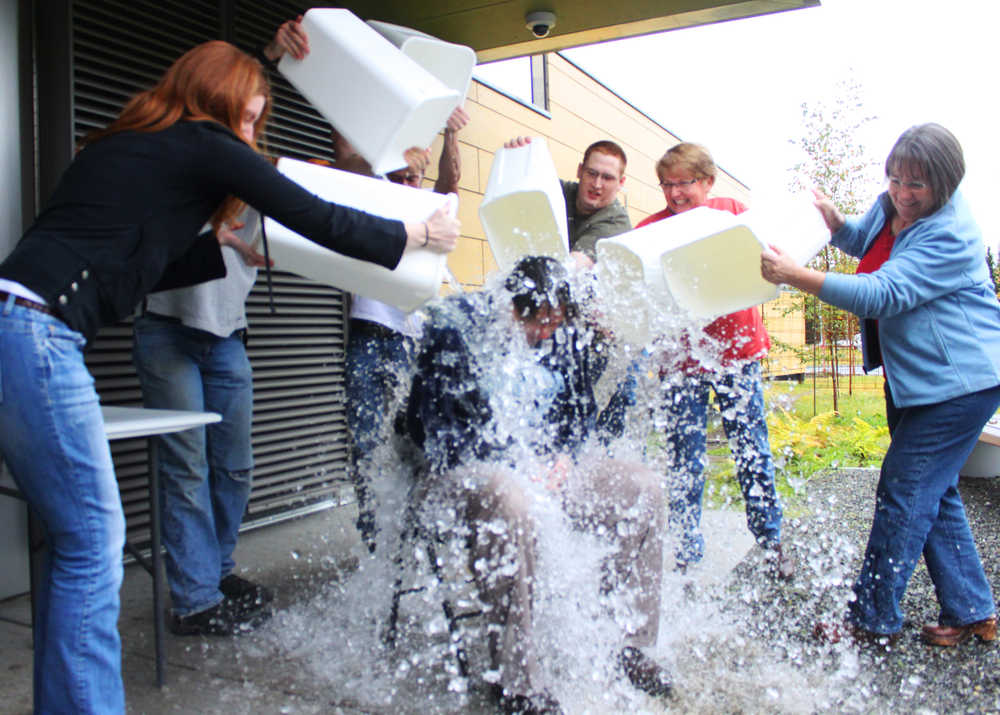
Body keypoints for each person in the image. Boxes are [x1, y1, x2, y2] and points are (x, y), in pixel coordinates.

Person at [0, 40, 458, 714]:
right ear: (215, 98)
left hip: (14, 320)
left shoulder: (122, 143)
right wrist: (413, 234)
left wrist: (209, 247)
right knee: (94, 545)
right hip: (39, 333)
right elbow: (313, 212)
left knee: (73, 544)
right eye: (248, 117)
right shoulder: (205, 140)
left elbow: (128, 260)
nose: (250, 135)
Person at [761, 123, 1000, 647]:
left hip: (959, 383)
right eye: (895, 179)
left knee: (904, 491)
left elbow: (884, 293)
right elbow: (863, 246)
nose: (902, 192)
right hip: (916, 377)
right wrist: (835, 221)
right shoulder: (892, 202)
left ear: (945, 182)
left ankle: (871, 621)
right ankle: (972, 609)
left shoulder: (952, 233)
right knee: (931, 491)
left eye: (916, 185)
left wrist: (795, 275)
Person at [406, 257, 671, 714]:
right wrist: (513, 462)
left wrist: (565, 457)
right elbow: (435, 430)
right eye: (539, 321)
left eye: (556, 320)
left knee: (644, 488)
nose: (548, 331)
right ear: (511, 307)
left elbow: (578, 414)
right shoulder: (454, 327)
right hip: (464, 473)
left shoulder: (560, 333)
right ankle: (517, 683)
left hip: (543, 469)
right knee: (508, 494)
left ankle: (627, 643)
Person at [265, 16, 470, 552]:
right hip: (368, 336)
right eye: (403, 174)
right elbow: (350, 159)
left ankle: (415, 537)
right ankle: (375, 540)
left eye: (415, 176)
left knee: (416, 442)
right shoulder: (368, 192)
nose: (411, 180)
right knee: (365, 441)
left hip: (416, 340)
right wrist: (390, 158)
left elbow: (450, 183)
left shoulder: (432, 204)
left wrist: (450, 132)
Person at [637, 142, 791, 579]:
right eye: (666, 185)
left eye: (683, 183)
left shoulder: (731, 212)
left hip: (735, 355)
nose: (674, 194)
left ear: (707, 181)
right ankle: (687, 548)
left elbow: (766, 259)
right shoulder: (652, 229)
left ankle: (771, 541)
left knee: (751, 450)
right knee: (684, 455)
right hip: (679, 361)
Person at [132, 212, 275, 636]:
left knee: (236, 467)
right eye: (237, 136)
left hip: (228, 335)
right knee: (185, 467)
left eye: (252, 136)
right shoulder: (183, 168)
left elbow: (343, 175)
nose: (246, 139)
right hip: (166, 328)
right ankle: (194, 599)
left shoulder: (260, 181)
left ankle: (214, 568)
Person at [504, 137, 631, 267]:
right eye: (592, 173)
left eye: (607, 178)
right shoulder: (557, 192)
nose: (597, 184)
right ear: (580, 171)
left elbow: (573, 268)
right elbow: (517, 191)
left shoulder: (617, 222)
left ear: (620, 183)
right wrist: (515, 161)